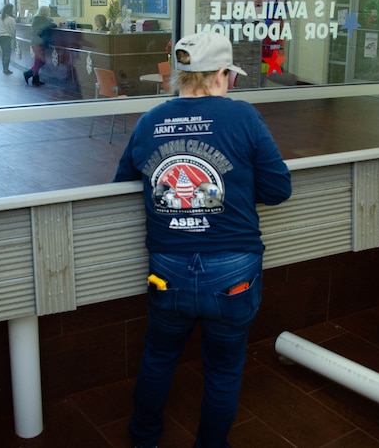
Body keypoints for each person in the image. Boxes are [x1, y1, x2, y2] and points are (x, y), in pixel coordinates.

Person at [114, 31, 292, 448]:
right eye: (230, 76)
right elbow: (278, 190)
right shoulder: (243, 117)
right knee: (225, 369)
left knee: (158, 357)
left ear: (181, 75)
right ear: (221, 76)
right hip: (235, 271)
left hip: (167, 268)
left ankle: (143, 439)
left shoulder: (149, 120)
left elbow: (122, 182)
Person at [24, 5, 55, 86]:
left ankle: (35, 79)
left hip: (35, 42)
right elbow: (52, 26)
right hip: (39, 43)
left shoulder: (36, 18)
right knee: (41, 61)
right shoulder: (43, 20)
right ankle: (28, 74)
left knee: (37, 61)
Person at [0, 3, 16, 75]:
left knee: (4, 53)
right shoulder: (10, 19)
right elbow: (12, 29)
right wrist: (14, 37)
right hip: (7, 37)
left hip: (0, 36)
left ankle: (4, 68)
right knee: (7, 53)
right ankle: (6, 69)